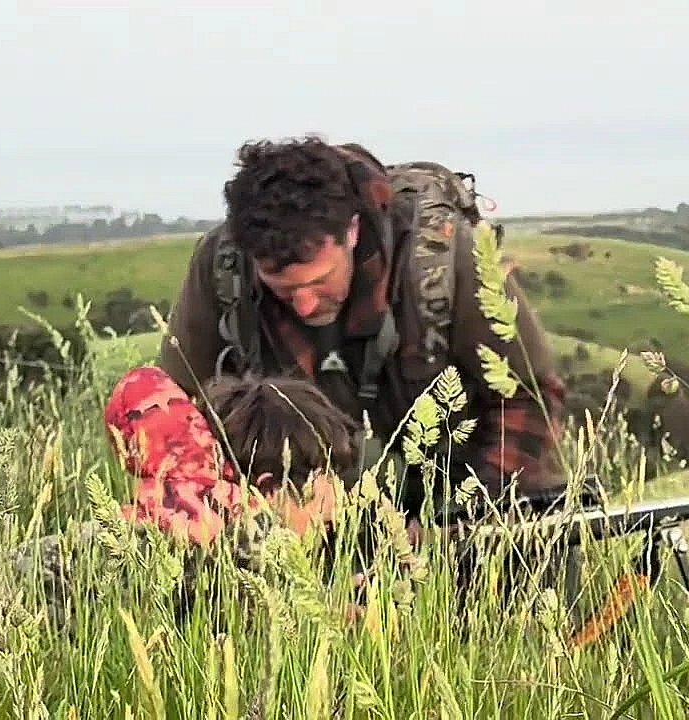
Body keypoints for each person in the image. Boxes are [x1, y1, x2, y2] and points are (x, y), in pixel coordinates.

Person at [125, 137, 580, 611]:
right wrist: (243, 526)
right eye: (283, 289)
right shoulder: (222, 268)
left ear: (354, 231)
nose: (304, 304)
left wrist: (456, 524)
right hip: (305, 517)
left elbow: (529, 398)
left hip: (465, 492)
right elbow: (176, 419)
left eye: (319, 282)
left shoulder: (443, 257)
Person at [9, 365, 370, 630]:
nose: (340, 501)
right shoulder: (227, 546)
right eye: (330, 479)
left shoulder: (179, 520)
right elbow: (265, 607)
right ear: (269, 488)